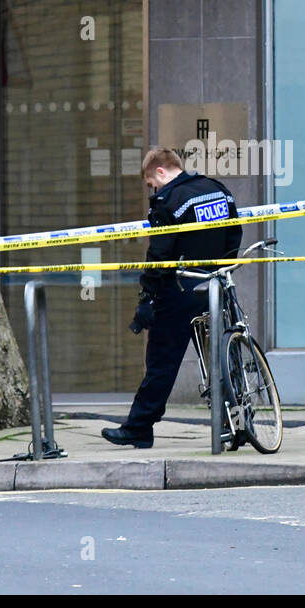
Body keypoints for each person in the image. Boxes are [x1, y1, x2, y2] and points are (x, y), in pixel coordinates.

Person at [102, 147, 242, 448]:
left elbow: (160, 255)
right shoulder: (218, 190)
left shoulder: (168, 202)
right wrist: (219, 268)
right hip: (216, 286)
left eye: (152, 183)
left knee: (161, 362)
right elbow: (235, 234)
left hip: (180, 291)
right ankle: (238, 422)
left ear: (161, 172)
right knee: (225, 357)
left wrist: (147, 297)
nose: (153, 189)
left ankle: (139, 427)